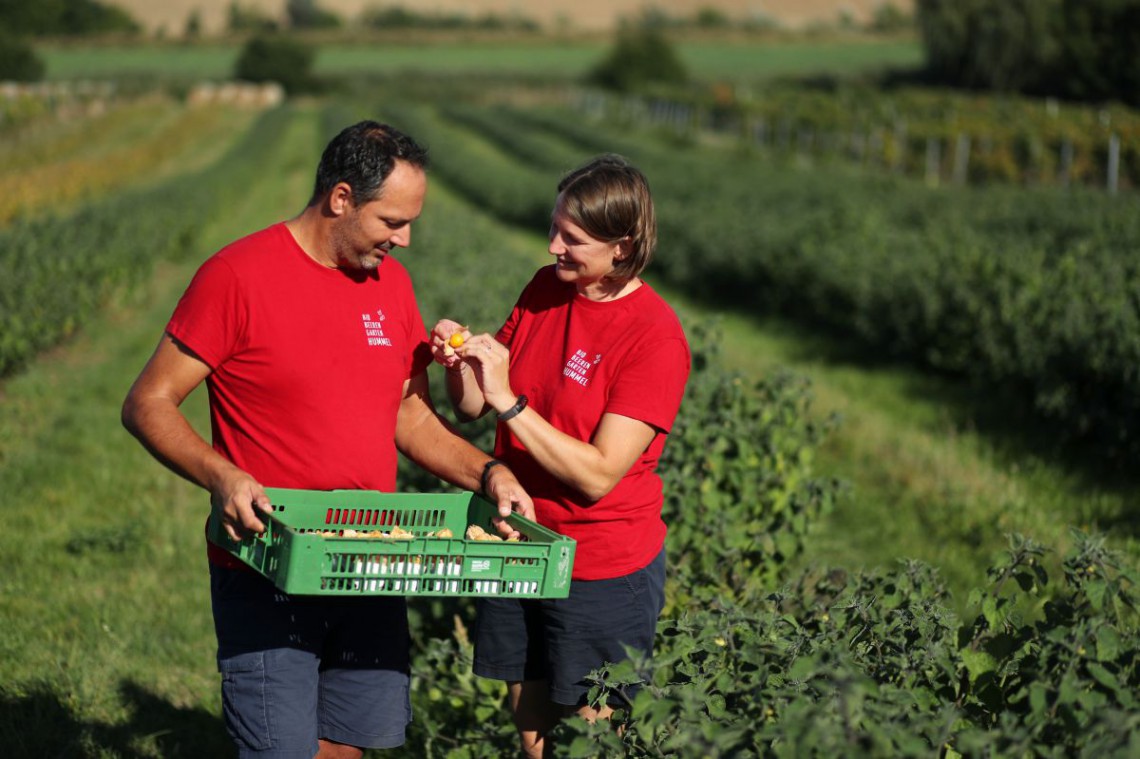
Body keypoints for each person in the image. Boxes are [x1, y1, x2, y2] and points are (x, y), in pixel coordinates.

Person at [121, 120, 533, 759]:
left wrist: (486, 473)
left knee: (349, 745)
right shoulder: (237, 275)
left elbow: (410, 415)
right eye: (392, 222)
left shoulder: (389, 285)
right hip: (269, 561)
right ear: (341, 198)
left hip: (369, 560)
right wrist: (221, 475)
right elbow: (148, 401)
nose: (405, 239)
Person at [430, 154, 690, 758]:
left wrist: (511, 403)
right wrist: (462, 364)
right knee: (533, 720)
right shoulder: (547, 289)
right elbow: (472, 406)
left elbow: (599, 475)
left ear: (621, 247)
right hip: (518, 538)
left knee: (596, 734)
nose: (554, 246)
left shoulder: (653, 337)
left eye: (572, 238)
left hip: (597, 564)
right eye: (555, 228)